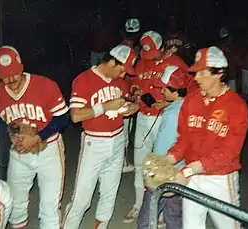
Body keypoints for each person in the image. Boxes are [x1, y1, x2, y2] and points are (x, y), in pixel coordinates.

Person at [165, 46, 248, 229]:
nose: (196, 78)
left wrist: (189, 170)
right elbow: (185, 138)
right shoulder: (191, 100)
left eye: (202, 73)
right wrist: (168, 159)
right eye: (195, 73)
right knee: (191, 226)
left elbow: (229, 152)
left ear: (219, 73)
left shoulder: (237, 107)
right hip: (193, 176)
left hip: (219, 178)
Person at [62, 45, 139, 229]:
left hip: (118, 139)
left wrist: (131, 109)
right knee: (82, 198)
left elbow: (134, 103)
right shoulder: (84, 80)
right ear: (112, 61)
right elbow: (75, 115)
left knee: (109, 193)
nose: (123, 75)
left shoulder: (120, 82)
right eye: (122, 69)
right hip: (94, 142)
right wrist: (104, 107)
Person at [0, 46, 69, 229]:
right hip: (19, 155)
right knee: (16, 205)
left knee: (49, 208)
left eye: (14, 74)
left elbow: (63, 117)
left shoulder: (45, 85)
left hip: (48, 150)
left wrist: (39, 136)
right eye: (5, 76)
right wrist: (11, 136)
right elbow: (0, 121)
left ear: (21, 67)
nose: (11, 80)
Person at [124, 30, 189, 223]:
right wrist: (135, 90)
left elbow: (187, 92)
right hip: (144, 116)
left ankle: (162, 210)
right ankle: (138, 205)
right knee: (140, 164)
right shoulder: (143, 60)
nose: (149, 57)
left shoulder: (176, 63)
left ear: (162, 48)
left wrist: (169, 104)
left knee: (164, 165)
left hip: (165, 119)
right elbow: (134, 80)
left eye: (153, 52)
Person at [137, 65, 194, 229]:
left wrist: (151, 172)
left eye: (165, 89)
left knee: (147, 220)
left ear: (175, 91)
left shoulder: (172, 114)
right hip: (180, 173)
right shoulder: (187, 106)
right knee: (174, 217)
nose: (161, 92)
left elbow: (162, 151)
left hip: (165, 174)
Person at [121, 18, 141, 173]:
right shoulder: (129, 50)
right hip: (125, 93)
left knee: (126, 129)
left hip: (128, 91)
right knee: (124, 130)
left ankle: (123, 161)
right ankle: (124, 163)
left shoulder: (132, 47)